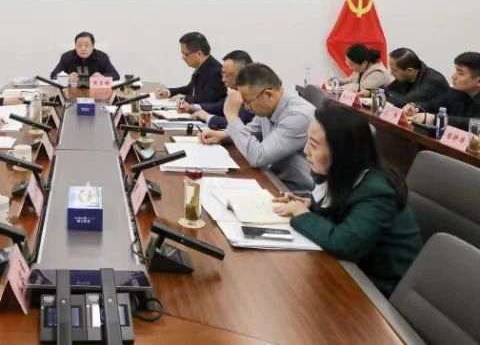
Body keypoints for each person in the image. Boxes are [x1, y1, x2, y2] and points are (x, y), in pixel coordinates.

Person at [272, 104, 422, 297]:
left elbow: (344, 243)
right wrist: (309, 205)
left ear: (342, 151)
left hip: (378, 288)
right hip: (351, 270)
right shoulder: (345, 172)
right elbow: (341, 205)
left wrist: (301, 213)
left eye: (314, 145)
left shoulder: (378, 192)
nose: (305, 150)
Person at [199, 63, 314, 193]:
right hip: (273, 179)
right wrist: (223, 135)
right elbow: (250, 132)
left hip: (296, 193)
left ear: (268, 95)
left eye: (248, 102)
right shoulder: (268, 107)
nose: (246, 108)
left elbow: (258, 157)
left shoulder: (298, 116)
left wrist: (232, 117)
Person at [403, 51, 480, 130]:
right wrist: (416, 107)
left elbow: (474, 122)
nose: (453, 76)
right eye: (456, 71)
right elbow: (433, 105)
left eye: (460, 73)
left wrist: (435, 119)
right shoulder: (455, 92)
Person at [155, 32, 226, 105]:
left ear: (199, 54)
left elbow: (207, 100)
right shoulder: (203, 66)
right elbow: (190, 88)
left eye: (185, 54)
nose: (183, 57)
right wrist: (168, 92)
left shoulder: (215, 72)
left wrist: (183, 98)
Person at [189, 50, 255, 129]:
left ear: (241, 74)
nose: (223, 79)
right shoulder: (236, 92)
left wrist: (207, 117)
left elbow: (240, 128)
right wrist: (192, 107)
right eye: (222, 73)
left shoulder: (253, 98)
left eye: (226, 75)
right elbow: (221, 106)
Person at [50, 31, 120, 81]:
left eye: (86, 45)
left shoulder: (102, 57)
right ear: (75, 46)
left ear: (92, 46)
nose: (83, 48)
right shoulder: (67, 57)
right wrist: (67, 77)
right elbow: (53, 75)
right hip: (71, 91)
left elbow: (116, 75)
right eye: (79, 45)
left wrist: (102, 77)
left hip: (97, 92)